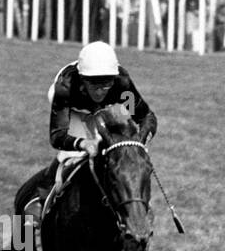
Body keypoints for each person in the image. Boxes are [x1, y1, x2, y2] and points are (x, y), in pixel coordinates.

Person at [24, 40, 157, 230]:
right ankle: (41, 198)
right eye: (94, 83)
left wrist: (139, 141)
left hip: (109, 107)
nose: (101, 89)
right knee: (75, 155)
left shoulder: (121, 84)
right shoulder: (66, 88)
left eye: (106, 82)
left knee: (123, 153)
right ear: (83, 79)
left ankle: (136, 205)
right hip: (75, 108)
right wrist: (83, 143)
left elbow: (147, 117)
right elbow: (57, 136)